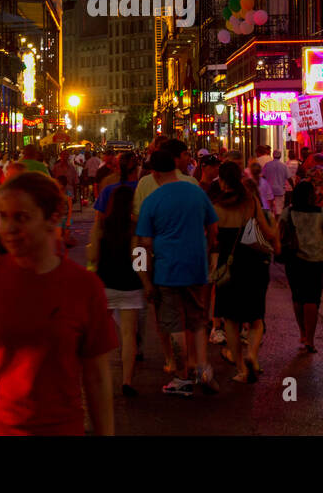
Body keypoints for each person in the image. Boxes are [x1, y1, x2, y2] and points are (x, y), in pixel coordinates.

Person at [0, 172, 117, 435]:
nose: (8, 228)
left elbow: (97, 377)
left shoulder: (84, 288)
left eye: (21, 217)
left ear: (52, 218)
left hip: (59, 428)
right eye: (3, 216)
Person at [135, 148, 220, 395]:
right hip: (196, 265)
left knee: (175, 324)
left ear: (154, 172)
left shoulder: (152, 200)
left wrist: (144, 277)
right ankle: (204, 369)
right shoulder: (196, 193)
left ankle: (183, 377)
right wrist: (207, 249)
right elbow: (213, 226)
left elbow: (144, 243)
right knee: (197, 320)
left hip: (167, 269)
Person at [209, 160, 277, 383]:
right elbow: (267, 232)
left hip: (228, 266)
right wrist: (275, 227)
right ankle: (253, 356)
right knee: (256, 317)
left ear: (221, 180)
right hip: (254, 263)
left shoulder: (216, 206)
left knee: (230, 319)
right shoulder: (251, 202)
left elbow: (212, 239)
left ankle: (240, 367)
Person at [88, 185, 147, 396]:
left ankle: (96, 378)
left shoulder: (100, 226)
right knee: (129, 335)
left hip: (105, 284)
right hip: (129, 285)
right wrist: (147, 284)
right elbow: (137, 260)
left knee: (98, 335)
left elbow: (93, 256)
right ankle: (127, 381)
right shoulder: (135, 228)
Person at [280, 179, 323, 352]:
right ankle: (310, 339)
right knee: (312, 298)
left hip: (294, 259)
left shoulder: (288, 212)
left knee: (297, 296)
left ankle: (302, 333)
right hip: (315, 259)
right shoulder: (322, 212)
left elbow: (279, 233)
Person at [263, 150, 288, 216]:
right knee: (279, 210)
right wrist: (293, 186)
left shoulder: (267, 165)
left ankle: (271, 223)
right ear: (280, 156)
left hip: (269, 190)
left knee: (270, 209)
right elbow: (289, 177)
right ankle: (277, 224)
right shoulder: (283, 166)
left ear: (273, 155)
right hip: (280, 190)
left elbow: (263, 176)